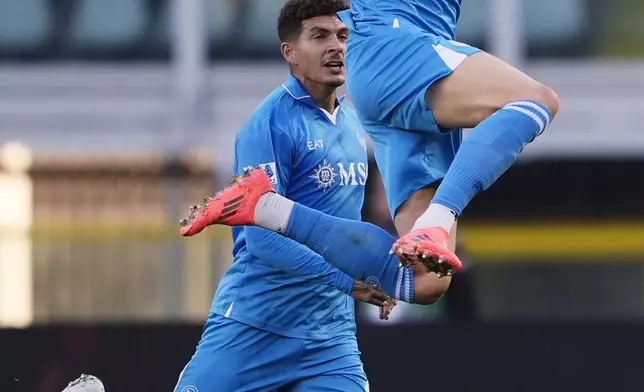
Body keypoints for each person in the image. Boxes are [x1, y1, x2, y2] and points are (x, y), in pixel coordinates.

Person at [175, 1, 446, 391]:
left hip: (329, 340)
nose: (336, 47)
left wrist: (374, 268)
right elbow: (263, 239)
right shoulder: (268, 124)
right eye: (319, 37)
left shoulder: (353, 124)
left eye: (342, 36)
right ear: (290, 52)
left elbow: (346, 230)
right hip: (255, 327)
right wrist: (348, 280)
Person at [334, 0, 559, 270]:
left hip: (380, 66)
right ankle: (440, 216)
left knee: (426, 277)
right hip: (397, 49)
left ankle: (339, 269)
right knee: (537, 100)